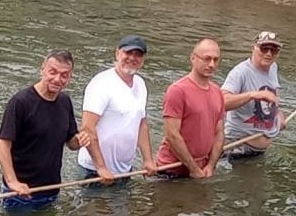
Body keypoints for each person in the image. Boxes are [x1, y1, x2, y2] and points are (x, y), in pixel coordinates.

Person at [0, 49, 81, 210]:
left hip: (52, 190)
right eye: (52, 72)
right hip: (21, 194)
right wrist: (12, 182)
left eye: (64, 75)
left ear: (70, 76)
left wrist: (79, 141)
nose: (57, 79)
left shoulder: (65, 101)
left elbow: (71, 143)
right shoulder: (20, 102)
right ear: (42, 69)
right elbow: (2, 143)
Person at [77, 37, 153, 184]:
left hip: (125, 170)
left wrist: (148, 159)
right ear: (117, 54)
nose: (132, 58)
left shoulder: (140, 84)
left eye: (138, 55)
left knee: (122, 206)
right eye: (128, 53)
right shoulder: (101, 83)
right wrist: (101, 167)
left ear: (143, 60)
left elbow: (142, 124)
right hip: (94, 171)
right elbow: (87, 128)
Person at [154, 37, 230, 179]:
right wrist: (193, 168)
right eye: (206, 59)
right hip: (171, 171)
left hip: (203, 169)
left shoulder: (217, 92)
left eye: (216, 59)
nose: (212, 64)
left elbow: (219, 133)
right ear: (193, 58)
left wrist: (211, 165)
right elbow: (172, 135)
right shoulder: (177, 91)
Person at [220, 31, 284, 157]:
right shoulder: (240, 72)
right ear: (253, 48)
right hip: (237, 147)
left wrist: (278, 114)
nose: (269, 54)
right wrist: (253, 95)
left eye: (274, 50)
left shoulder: (273, 67)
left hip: (260, 150)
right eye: (264, 49)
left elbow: (270, 98)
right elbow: (221, 102)